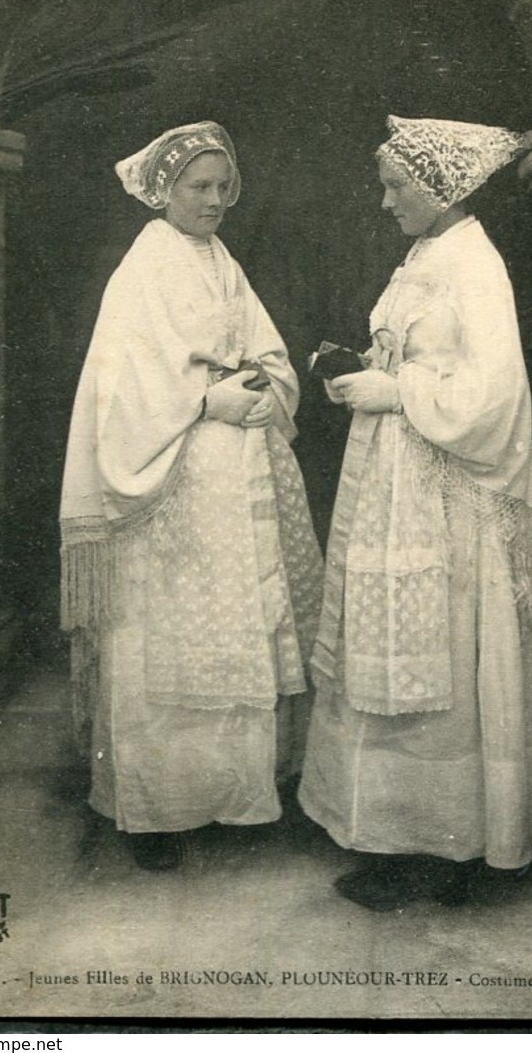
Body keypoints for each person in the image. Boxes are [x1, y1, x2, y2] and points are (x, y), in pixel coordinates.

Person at [298, 115, 532, 910]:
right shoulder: (424, 254)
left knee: (446, 656)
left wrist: (399, 393)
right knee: (393, 649)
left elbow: (491, 400)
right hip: (396, 478)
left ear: (435, 188)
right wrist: (366, 370)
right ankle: (395, 836)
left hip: (446, 492)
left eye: (395, 188)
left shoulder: (474, 265)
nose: (385, 201)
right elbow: (421, 357)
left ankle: (453, 846)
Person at [60, 121, 322, 870]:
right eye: (197, 188)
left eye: (222, 188)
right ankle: (156, 813)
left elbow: (265, 347)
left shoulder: (222, 259)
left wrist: (264, 384)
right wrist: (205, 403)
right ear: (164, 190)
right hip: (173, 481)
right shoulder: (144, 267)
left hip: (239, 469)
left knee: (243, 621)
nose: (213, 201)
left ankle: (241, 797)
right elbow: (123, 385)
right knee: (170, 637)